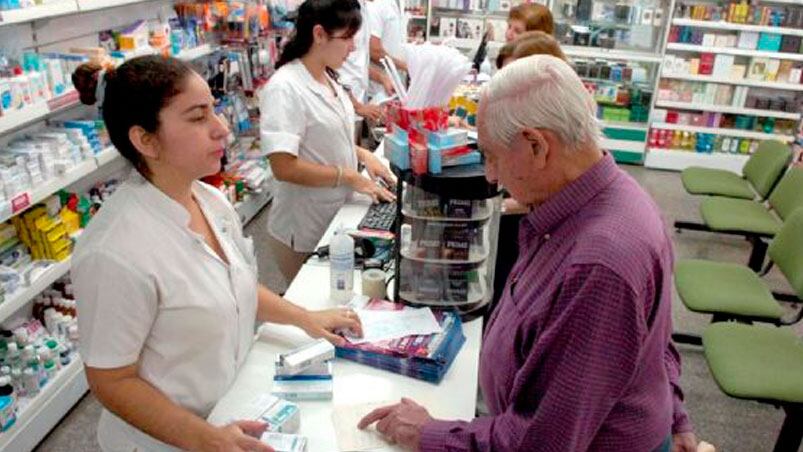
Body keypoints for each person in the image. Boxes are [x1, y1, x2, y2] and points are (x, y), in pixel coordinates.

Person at [358, 55, 698, 452]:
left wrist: (429, 433)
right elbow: (655, 341)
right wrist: (675, 412)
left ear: (536, 146)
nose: (490, 175)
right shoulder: (612, 198)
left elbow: (542, 442)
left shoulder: (600, 263)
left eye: (492, 156)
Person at [71, 55, 363, 451]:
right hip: (168, 441)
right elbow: (111, 380)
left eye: (215, 110)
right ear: (145, 140)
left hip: (227, 413)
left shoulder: (207, 198)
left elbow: (235, 280)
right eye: (197, 117)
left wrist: (304, 317)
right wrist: (207, 440)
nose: (222, 128)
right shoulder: (114, 251)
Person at [260, 0, 395, 284]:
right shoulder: (285, 88)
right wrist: (348, 176)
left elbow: (330, 138)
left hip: (335, 213)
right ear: (319, 34)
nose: (353, 48)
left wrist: (364, 157)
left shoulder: (328, 78)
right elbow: (283, 166)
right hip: (303, 227)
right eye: (346, 38)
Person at [368, 0, 408, 98]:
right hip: (378, 90)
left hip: (396, 86)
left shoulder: (400, 4)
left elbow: (394, 40)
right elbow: (374, 50)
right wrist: (406, 66)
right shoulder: (377, 5)